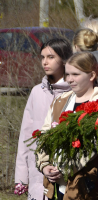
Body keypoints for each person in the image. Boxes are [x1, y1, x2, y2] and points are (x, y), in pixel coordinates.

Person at [36, 51, 98, 200]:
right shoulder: (60, 101)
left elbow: (95, 145)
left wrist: (65, 168)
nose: (70, 79)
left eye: (75, 74)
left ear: (92, 75)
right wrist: (45, 165)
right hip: (55, 184)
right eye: (67, 74)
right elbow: (45, 135)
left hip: (83, 186)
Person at [15, 38, 73, 200]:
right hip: (37, 172)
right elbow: (26, 136)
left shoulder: (75, 92)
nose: (45, 62)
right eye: (42, 57)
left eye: (51, 57)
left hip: (66, 174)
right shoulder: (36, 92)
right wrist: (21, 178)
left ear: (64, 60)